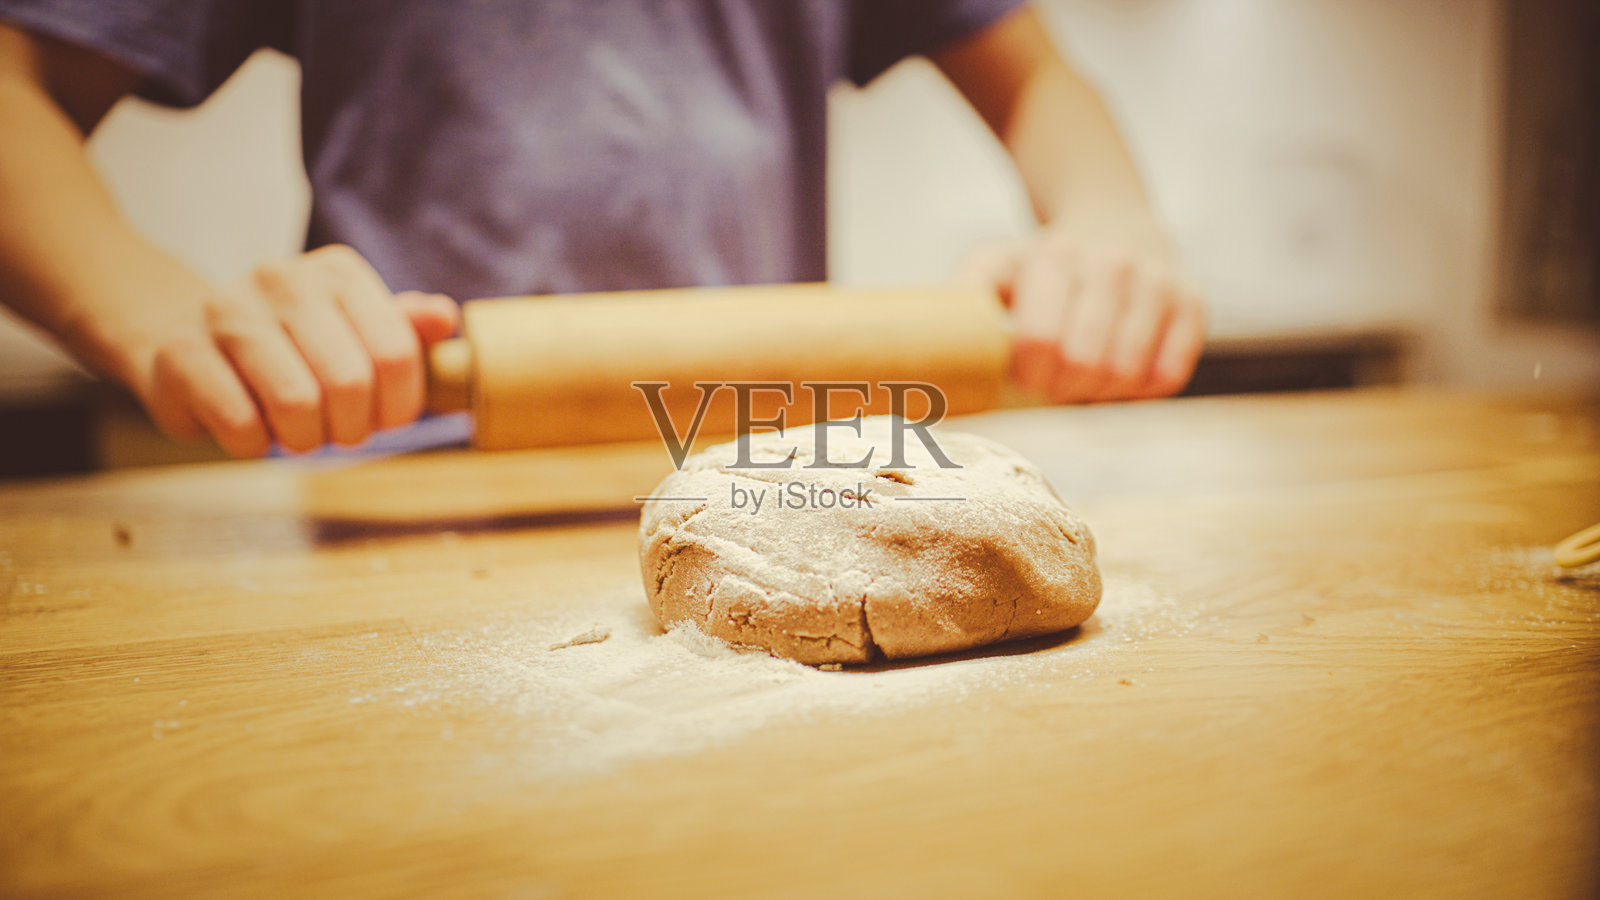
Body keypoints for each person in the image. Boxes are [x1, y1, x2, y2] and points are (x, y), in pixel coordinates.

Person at [0, 1, 1206, 458]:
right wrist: (164, 321)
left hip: (763, 474)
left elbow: (1035, 79)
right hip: (398, 469)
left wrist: (1107, 223)